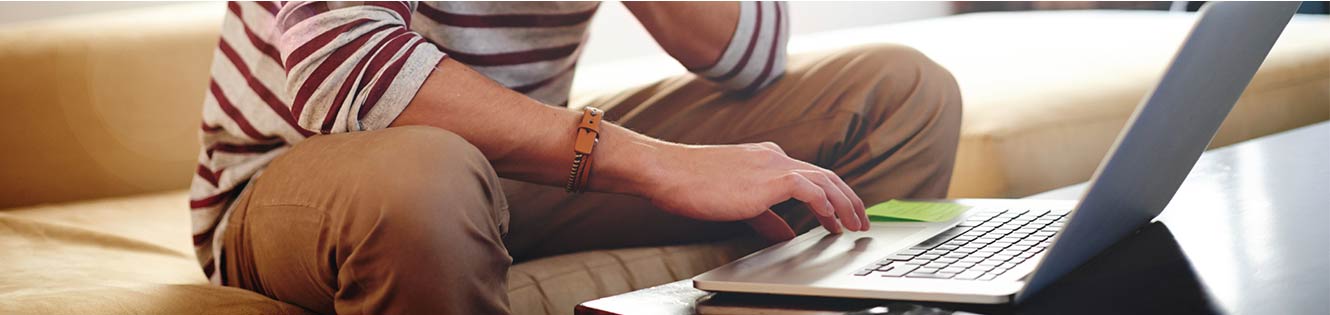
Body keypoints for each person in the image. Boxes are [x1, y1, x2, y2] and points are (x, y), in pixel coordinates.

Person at [192, 1, 960, 313]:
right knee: (428, 179)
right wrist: (658, 162)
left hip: (513, 168)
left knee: (901, 93)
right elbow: (343, 64)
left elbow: (749, 52)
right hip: (307, 173)